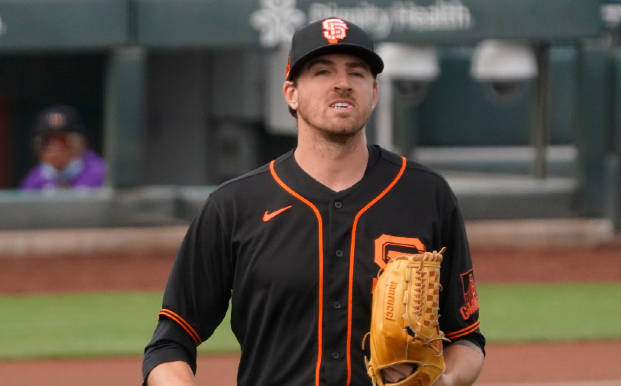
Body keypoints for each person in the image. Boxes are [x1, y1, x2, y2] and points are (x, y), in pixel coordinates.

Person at [143, 17, 485, 386]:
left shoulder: (426, 195)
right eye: (322, 72)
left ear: (374, 92)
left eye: (357, 73)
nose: (342, 83)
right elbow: (169, 345)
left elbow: (466, 338)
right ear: (291, 92)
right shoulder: (234, 206)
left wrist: (443, 382)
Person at [19, 105, 106, 190]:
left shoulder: (103, 174)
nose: (55, 148)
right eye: (46, 141)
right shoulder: (33, 181)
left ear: (82, 143)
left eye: (63, 140)